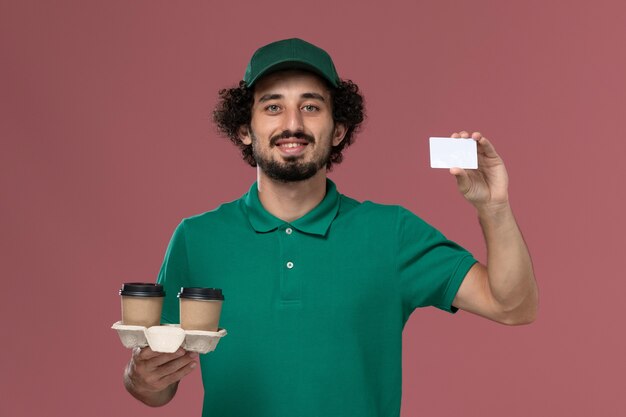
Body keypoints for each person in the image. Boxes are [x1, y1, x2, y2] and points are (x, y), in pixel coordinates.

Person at [123, 38, 538, 417]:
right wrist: (138, 377)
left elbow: (513, 307)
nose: (293, 124)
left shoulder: (391, 232)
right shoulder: (197, 239)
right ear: (244, 130)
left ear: (338, 130)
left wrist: (493, 207)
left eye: (311, 106)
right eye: (272, 106)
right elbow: (159, 385)